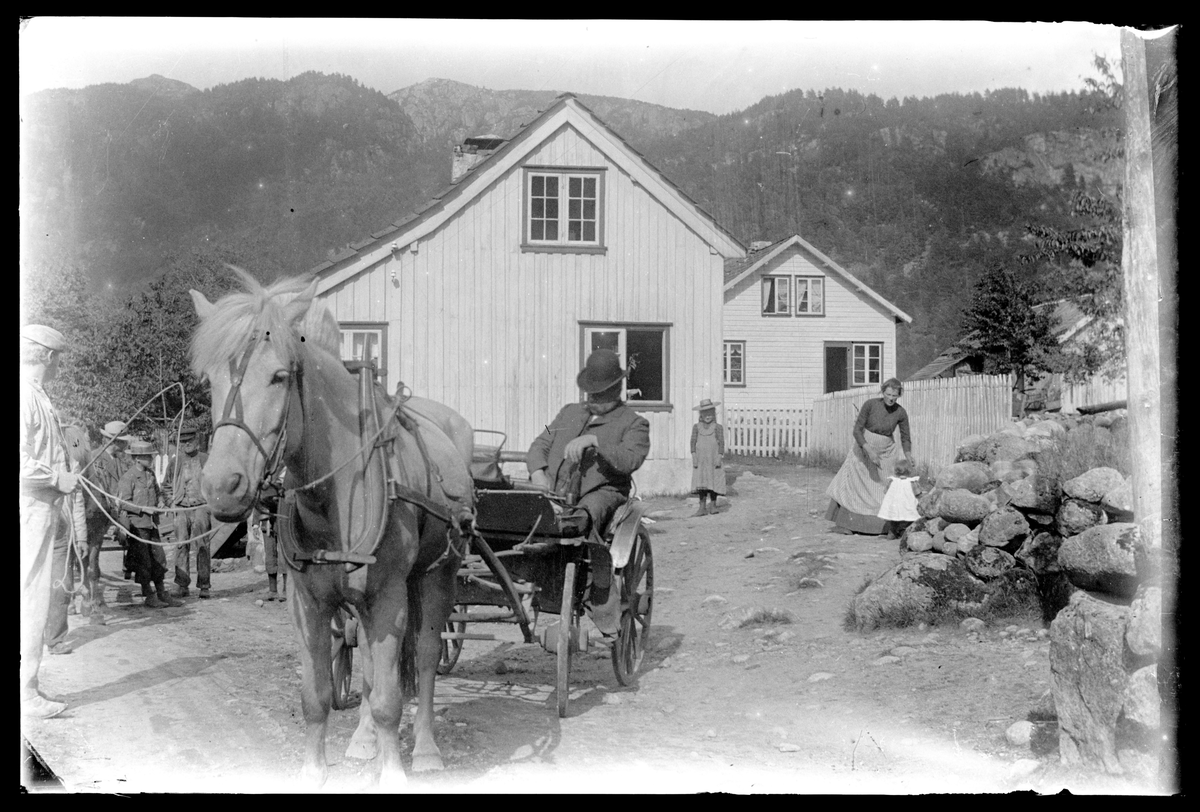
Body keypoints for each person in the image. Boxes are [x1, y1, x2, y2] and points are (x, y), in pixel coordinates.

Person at [527, 349, 650, 634]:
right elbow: (539, 443)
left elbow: (630, 459)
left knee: (585, 515)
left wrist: (594, 440)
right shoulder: (567, 413)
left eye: (599, 395)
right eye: (589, 394)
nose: (591, 400)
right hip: (556, 493)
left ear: (615, 389)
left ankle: (601, 591)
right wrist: (537, 472)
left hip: (603, 493)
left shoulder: (634, 423)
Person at [20, 324, 79, 719]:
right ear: (47, 356)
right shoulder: (25, 395)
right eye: (58, 357)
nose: (59, 365)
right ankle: (26, 695)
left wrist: (63, 468)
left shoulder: (38, 396)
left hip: (41, 505)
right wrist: (57, 477)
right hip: (31, 507)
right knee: (30, 596)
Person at [824, 378, 913, 536]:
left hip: (886, 452)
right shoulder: (870, 405)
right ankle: (845, 525)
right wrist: (868, 450)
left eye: (895, 395)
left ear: (899, 395)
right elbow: (857, 430)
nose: (891, 398)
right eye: (888, 394)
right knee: (850, 483)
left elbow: (905, 437)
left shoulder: (900, 412)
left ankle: (884, 528)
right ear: (882, 391)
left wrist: (908, 454)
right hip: (863, 448)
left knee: (882, 489)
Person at [117, 440, 182, 609]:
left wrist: (160, 502)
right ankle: (149, 595)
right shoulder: (128, 477)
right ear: (137, 458)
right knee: (143, 561)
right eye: (147, 456)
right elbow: (123, 502)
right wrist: (144, 509)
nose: (151, 459)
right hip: (137, 526)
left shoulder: (151, 475)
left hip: (152, 525)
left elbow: (159, 493)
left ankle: (161, 593)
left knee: (159, 559)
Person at [167, 427, 212, 599]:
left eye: (190, 440)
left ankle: (204, 586)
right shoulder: (175, 462)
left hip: (201, 507)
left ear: (197, 441)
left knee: (202, 545)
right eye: (183, 441)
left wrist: (209, 506)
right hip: (181, 507)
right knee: (180, 545)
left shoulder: (205, 459)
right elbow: (165, 486)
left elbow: (214, 485)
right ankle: (181, 584)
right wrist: (171, 503)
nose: (186, 444)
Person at [94, 420, 134, 578]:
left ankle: (131, 566)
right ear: (114, 442)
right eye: (123, 443)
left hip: (116, 509)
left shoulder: (117, 460)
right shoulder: (96, 459)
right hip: (100, 510)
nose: (125, 447)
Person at [690, 398, 726, 517]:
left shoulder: (718, 427)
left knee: (713, 481)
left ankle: (713, 506)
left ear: (714, 414)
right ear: (701, 415)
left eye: (710, 414)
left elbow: (721, 443)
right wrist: (694, 456)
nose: (708, 416)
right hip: (701, 460)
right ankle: (702, 507)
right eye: (705, 414)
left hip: (713, 459)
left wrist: (719, 456)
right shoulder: (696, 427)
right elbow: (693, 442)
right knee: (702, 482)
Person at [877, 457, 923, 540]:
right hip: (906, 505)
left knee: (894, 520)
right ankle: (905, 533)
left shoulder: (892, 481)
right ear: (909, 470)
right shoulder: (912, 482)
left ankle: (892, 533)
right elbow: (918, 493)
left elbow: (885, 491)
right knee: (909, 519)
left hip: (895, 505)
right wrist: (921, 497)